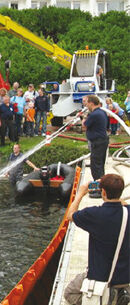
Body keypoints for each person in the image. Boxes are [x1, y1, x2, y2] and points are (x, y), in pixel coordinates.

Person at [64, 174, 129, 305]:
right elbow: (123, 204)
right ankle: (117, 298)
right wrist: (114, 193)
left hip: (100, 277)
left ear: (102, 191)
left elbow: (70, 215)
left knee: (69, 293)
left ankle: (101, 301)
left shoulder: (93, 214)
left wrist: (80, 193)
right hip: (124, 277)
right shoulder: (127, 212)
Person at [83, 95, 109, 182]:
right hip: (103, 140)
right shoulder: (102, 112)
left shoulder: (94, 114)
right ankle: (102, 184)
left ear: (91, 103)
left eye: (87, 103)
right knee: (100, 165)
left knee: (95, 166)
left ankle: (98, 188)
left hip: (97, 142)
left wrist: (84, 117)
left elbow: (84, 125)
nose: (86, 105)